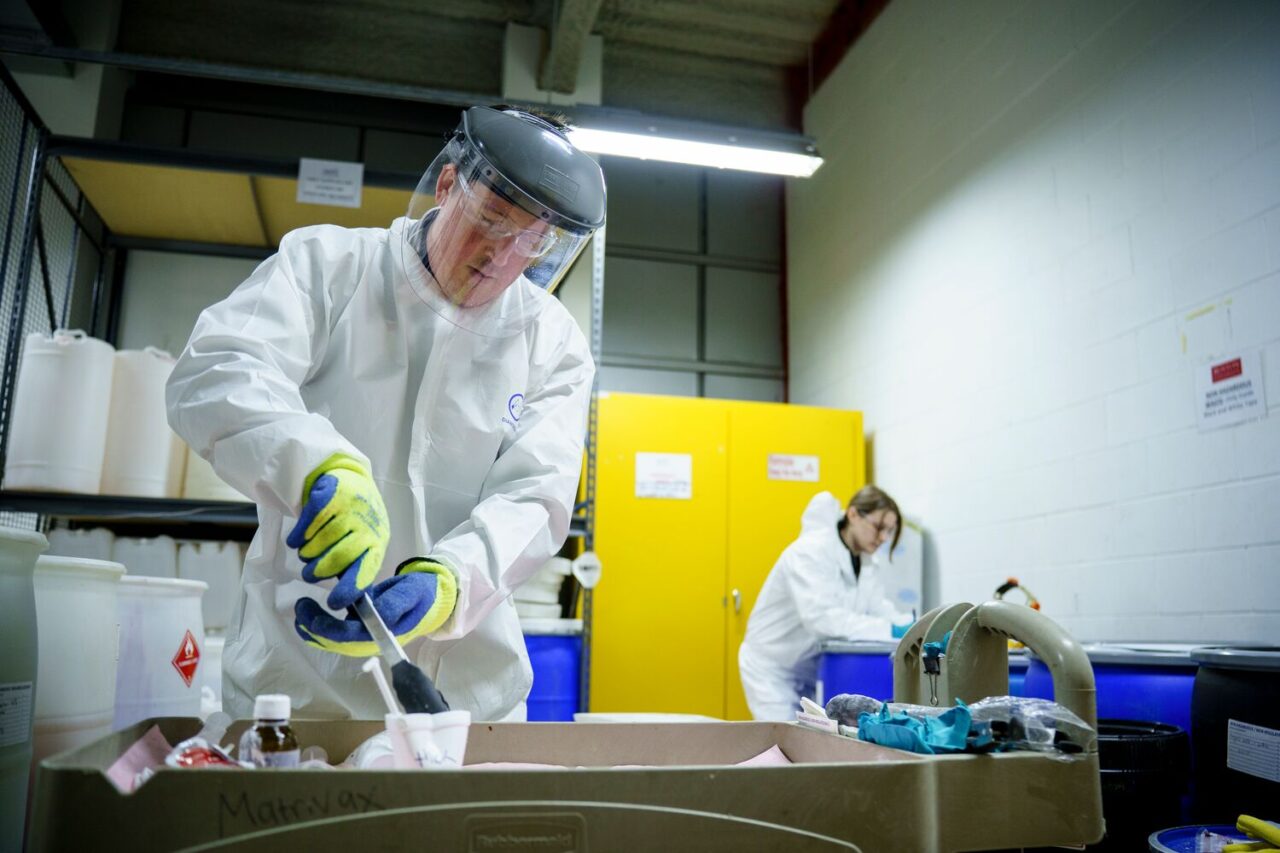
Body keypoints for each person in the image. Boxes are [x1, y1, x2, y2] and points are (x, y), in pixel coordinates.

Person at [167, 105, 606, 721]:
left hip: (469, 700)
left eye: (530, 244)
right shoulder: (329, 266)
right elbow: (218, 368)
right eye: (491, 222)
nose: (499, 261)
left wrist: (453, 581)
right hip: (296, 689)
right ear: (449, 185)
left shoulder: (552, 343)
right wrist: (318, 468)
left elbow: (539, 495)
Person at [738, 485, 912, 721]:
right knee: (782, 740)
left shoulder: (866, 562)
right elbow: (822, 619)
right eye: (879, 527)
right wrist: (889, 630)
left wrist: (912, 628)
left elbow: (878, 606)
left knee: (809, 744)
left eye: (889, 531)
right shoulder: (810, 552)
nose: (883, 538)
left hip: (811, 667)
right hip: (772, 668)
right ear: (853, 515)